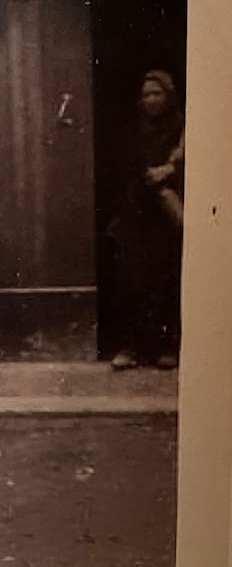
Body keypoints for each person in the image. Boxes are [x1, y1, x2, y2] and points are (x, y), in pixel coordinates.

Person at [108, 69, 184, 371]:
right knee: (132, 279)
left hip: (167, 214)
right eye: (146, 95)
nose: (151, 100)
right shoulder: (133, 129)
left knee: (166, 278)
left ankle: (168, 348)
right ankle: (132, 347)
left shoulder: (181, 127)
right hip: (136, 211)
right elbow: (125, 165)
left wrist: (171, 172)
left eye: (157, 93)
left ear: (169, 96)